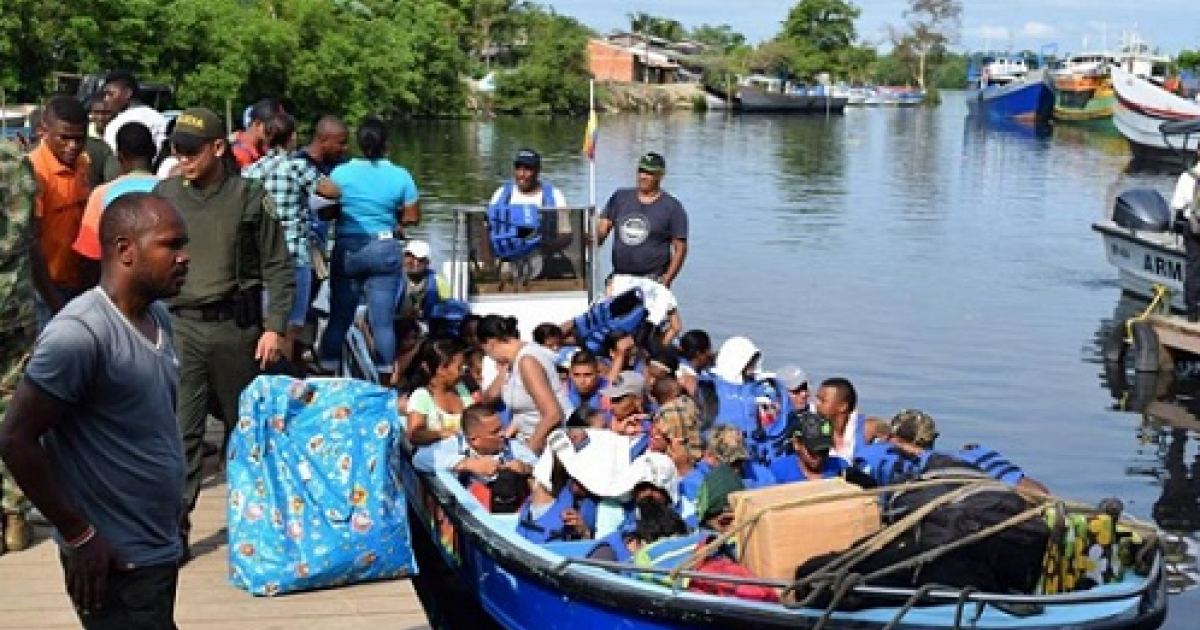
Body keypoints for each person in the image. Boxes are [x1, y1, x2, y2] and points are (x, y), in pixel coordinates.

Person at [0, 192, 189, 627]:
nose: (184, 257)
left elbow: (153, 424)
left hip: (156, 547)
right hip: (118, 562)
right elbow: (16, 439)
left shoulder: (158, 318)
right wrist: (79, 533)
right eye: (171, 245)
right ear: (125, 250)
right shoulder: (80, 335)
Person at [154, 107, 294, 553]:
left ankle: (259, 523)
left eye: (192, 151)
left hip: (236, 330)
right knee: (182, 432)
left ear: (218, 149)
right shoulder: (166, 193)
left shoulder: (248, 197)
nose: (183, 159)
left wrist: (275, 327)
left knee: (246, 431)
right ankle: (175, 528)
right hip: (181, 327)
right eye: (177, 150)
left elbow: (279, 266)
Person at [316, 116, 420, 383]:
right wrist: (393, 216)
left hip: (349, 248)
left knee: (339, 318)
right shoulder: (400, 175)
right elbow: (412, 217)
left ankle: (327, 375)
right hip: (384, 247)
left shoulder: (340, 173)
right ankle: (385, 382)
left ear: (357, 143)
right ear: (386, 144)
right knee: (382, 322)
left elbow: (326, 208)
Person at [242, 112, 340, 359]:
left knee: (267, 323)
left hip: (263, 255)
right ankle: (282, 372)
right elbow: (330, 190)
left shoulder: (250, 171)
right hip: (295, 253)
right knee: (292, 326)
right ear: (292, 138)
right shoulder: (297, 167)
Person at [0, 139, 38, 555]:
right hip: (17, 304)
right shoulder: (17, 160)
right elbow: (33, 235)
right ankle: (15, 515)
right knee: (15, 408)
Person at [27, 95, 95, 326]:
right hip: (45, 289)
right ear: (45, 131)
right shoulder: (34, 172)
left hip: (77, 282)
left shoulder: (83, 163)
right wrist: (54, 302)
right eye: (65, 138)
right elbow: (31, 241)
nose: (73, 146)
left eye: (79, 139)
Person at [476, 315, 569, 453]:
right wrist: (507, 435)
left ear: (490, 343)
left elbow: (553, 414)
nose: (489, 357)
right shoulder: (513, 363)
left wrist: (528, 453)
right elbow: (526, 410)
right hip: (528, 441)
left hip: (550, 446)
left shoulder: (527, 361)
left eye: (485, 351)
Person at [596, 152, 688, 287]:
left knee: (669, 309)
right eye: (641, 171)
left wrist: (667, 279)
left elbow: (680, 249)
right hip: (620, 277)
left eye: (649, 173)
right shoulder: (620, 197)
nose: (642, 176)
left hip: (653, 280)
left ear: (660, 176)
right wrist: (591, 236)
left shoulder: (673, 207)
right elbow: (602, 231)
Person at [73, 122, 160, 261]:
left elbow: (90, 253)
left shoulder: (101, 194)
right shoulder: (170, 190)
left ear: (119, 156)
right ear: (154, 151)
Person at [412, 402, 537, 492]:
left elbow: (544, 472)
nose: (503, 434)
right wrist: (468, 464)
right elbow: (418, 459)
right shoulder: (457, 445)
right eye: (495, 431)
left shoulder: (512, 447)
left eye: (501, 428)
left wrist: (527, 468)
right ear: (474, 440)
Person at [485, 148, 570, 277]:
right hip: (506, 263)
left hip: (543, 262)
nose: (522, 173)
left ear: (538, 171)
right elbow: (485, 229)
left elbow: (567, 234)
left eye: (528, 169)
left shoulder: (555, 196)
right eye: (518, 168)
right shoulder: (501, 194)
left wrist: (547, 246)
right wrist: (488, 264)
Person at [406, 339, 475, 446]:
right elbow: (414, 435)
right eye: (459, 367)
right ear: (442, 369)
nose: (463, 372)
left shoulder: (461, 389)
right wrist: (445, 434)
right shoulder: (422, 395)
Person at [814, 377, 883, 463]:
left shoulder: (866, 429)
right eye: (817, 399)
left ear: (843, 406)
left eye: (822, 401)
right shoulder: (812, 429)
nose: (816, 404)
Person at [770, 411, 849, 482]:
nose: (819, 456)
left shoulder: (840, 467)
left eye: (824, 450)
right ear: (796, 444)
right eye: (813, 451)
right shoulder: (778, 472)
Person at [100, 71, 167, 152]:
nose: (106, 99)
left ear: (128, 93)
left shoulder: (117, 124)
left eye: (110, 94)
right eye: (105, 95)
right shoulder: (158, 117)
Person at [1171, 153, 1200, 320]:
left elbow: (1177, 205)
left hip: (1195, 227)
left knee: (1193, 268)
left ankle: (1192, 312)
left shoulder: (1187, 177)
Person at [650, 374, 702, 464]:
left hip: (676, 462)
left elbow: (658, 442)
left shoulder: (664, 413)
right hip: (696, 459)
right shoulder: (690, 403)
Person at [396, 239, 450, 324]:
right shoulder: (392, 280)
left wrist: (424, 313)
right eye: (409, 256)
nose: (414, 262)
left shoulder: (439, 282)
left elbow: (447, 309)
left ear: (428, 262)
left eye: (420, 259)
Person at [230, 99, 280, 170]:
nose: (276, 132)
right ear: (257, 124)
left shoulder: (264, 149)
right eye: (272, 127)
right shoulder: (238, 155)